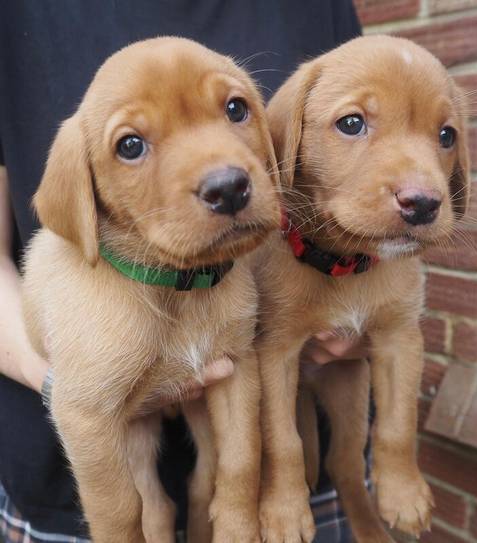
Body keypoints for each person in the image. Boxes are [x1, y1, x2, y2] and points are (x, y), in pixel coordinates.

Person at [0, 2, 366, 542]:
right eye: (131, 145)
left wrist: (358, 306)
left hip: (293, 480)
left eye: (237, 109)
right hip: (61, 492)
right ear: (83, 190)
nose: (223, 174)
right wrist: (72, 382)